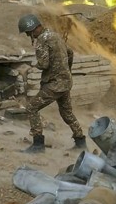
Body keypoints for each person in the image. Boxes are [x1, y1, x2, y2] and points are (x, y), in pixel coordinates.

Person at [18, 13, 86, 153]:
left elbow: (44, 64)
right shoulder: (55, 35)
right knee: (67, 113)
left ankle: (38, 145)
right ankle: (81, 142)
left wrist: (31, 66)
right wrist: (67, 70)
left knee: (31, 108)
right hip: (65, 82)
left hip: (54, 84)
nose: (28, 36)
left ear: (32, 30)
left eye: (27, 33)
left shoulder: (42, 41)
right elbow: (70, 53)